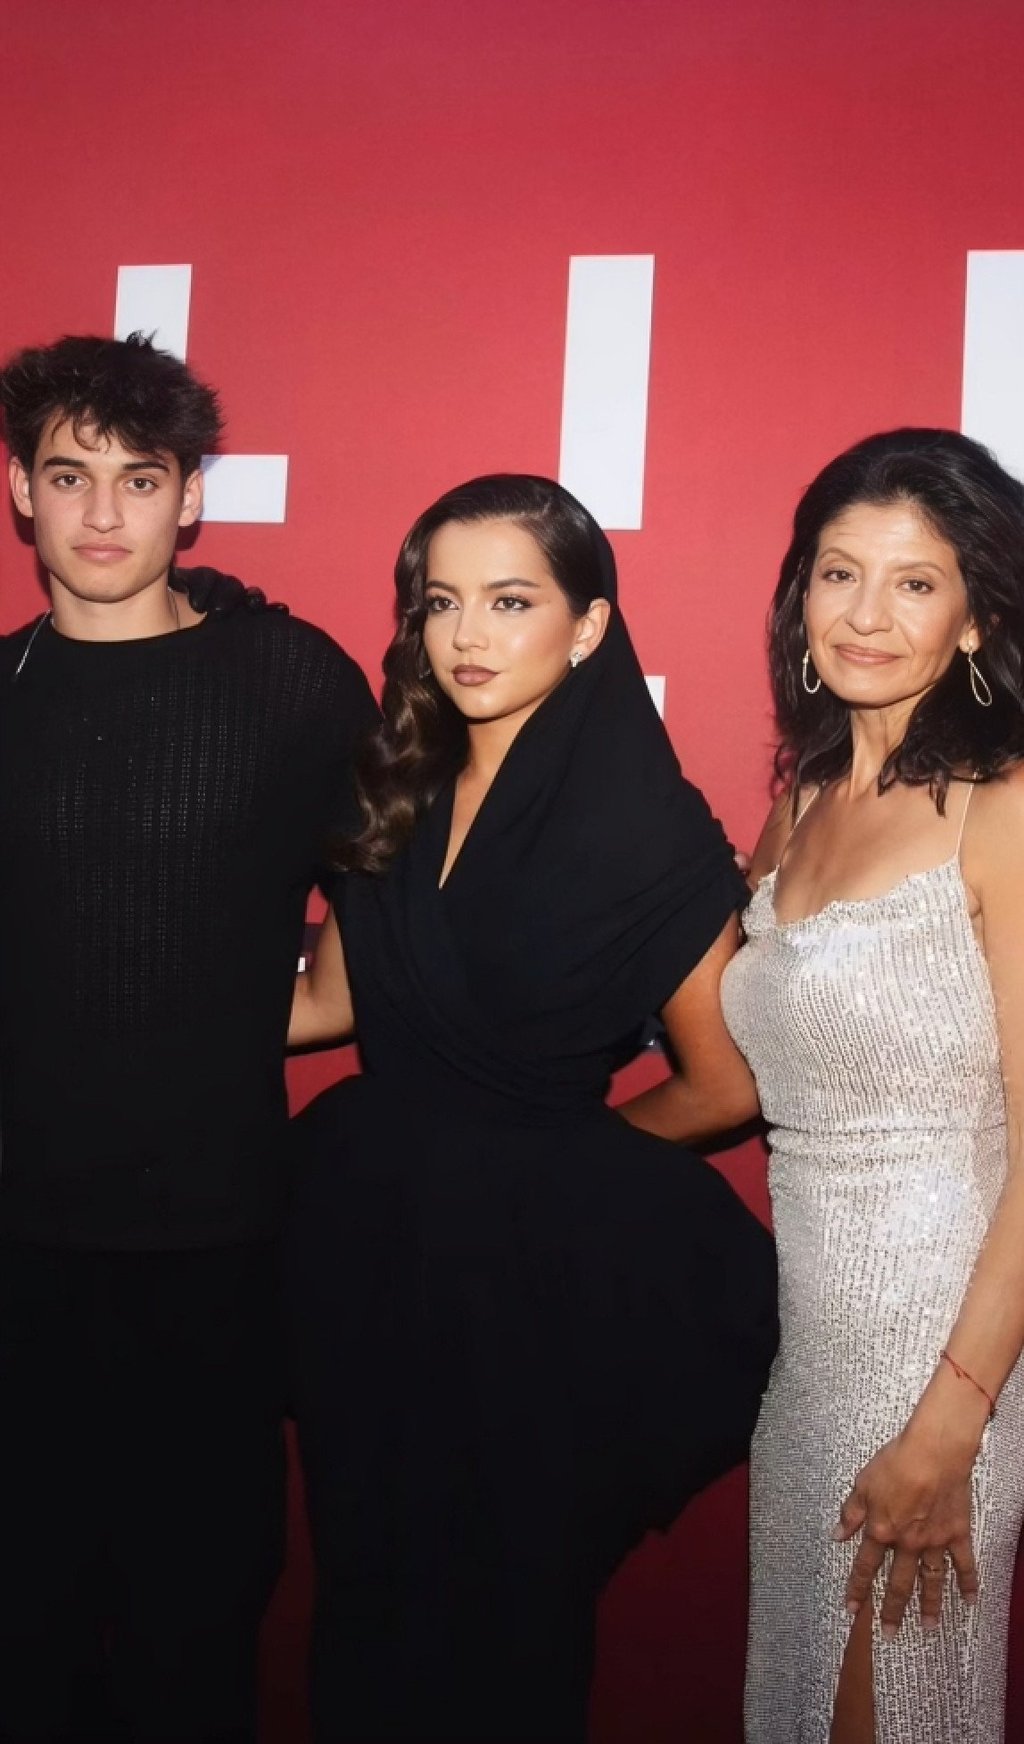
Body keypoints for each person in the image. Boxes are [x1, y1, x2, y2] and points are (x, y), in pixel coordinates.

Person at [285, 473, 778, 1743]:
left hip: (527, 1290)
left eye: (510, 601)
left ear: (590, 626)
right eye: (441, 601)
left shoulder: (647, 830)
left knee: (503, 1613)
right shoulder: (394, 782)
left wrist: (562, 1159)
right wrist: (117, 1002)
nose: (465, 635)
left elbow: (727, 1084)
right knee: (363, 1589)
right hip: (368, 1250)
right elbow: (328, 1003)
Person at [0, 332, 377, 1744]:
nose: (104, 515)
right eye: (69, 475)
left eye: (138, 479)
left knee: (196, 1623)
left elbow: (391, 923)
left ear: (189, 498)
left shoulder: (288, 682)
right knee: (24, 1625)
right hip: (16, 1257)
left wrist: (255, 1015)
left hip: (215, 1252)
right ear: (22, 495)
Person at [720, 428, 1024, 1742]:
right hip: (811, 1369)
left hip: (942, 1361)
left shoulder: (1003, 807)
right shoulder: (798, 811)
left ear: (974, 618)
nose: (868, 614)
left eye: (915, 583)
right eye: (841, 574)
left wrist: (950, 1427)